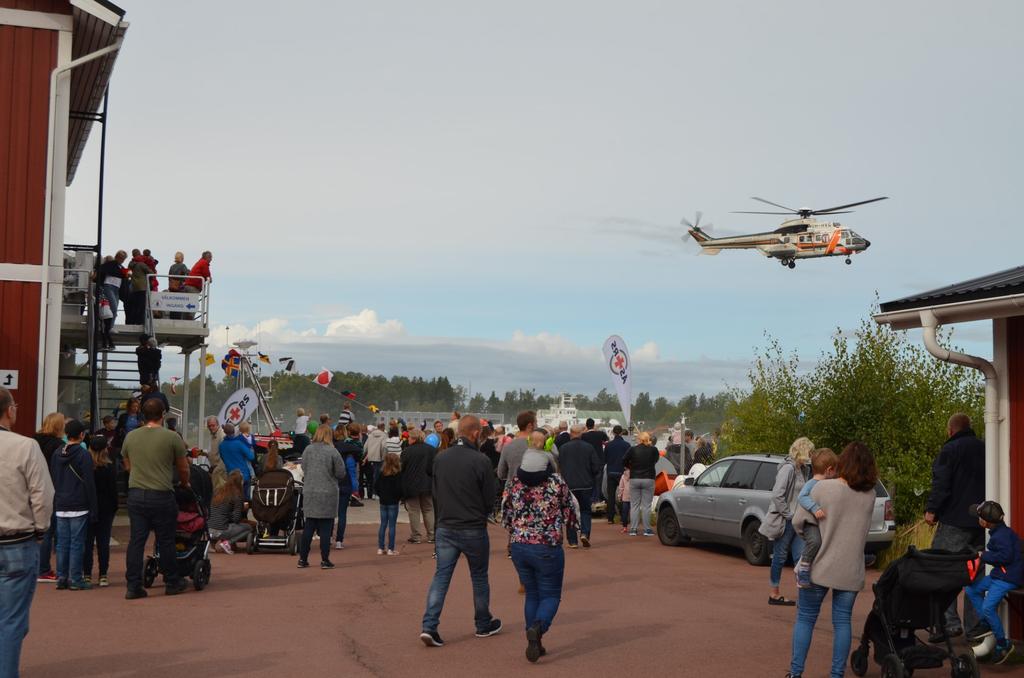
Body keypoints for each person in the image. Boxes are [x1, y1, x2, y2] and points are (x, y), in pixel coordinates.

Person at [788, 442, 878, 678]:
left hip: (819, 564)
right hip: (850, 568)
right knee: (843, 622)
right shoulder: (870, 495)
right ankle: (837, 674)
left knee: (806, 618)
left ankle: (796, 673)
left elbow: (799, 522)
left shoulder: (822, 489)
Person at [420, 415, 502, 647]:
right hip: (473, 526)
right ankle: (482, 623)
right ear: (475, 433)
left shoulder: (440, 458)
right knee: (478, 577)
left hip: (446, 525)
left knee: (441, 576)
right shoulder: (481, 460)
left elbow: (435, 492)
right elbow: (489, 497)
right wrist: (484, 512)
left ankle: (429, 625)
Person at [501, 437, 580, 663]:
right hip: (547, 546)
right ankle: (538, 628)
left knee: (532, 594)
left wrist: (515, 528)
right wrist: (573, 525)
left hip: (518, 546)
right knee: (551, 595)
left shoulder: (515, 482)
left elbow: (506, 511)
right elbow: (570, 509)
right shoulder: (556, 482)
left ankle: (533, 640)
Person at [0, 387, 55, 678]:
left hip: (16, 540)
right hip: (16, 540)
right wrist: (40, 528)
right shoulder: (24, 446)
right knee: (11, 620)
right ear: (9, 411)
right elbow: (43, 495)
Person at [924, 413, 985, 641]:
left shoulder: (949, 450)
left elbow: (942, 483)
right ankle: (975, 628)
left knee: (941, 570)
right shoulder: (985, 448)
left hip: (954, 521)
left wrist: (932, 510)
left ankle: (948, 623)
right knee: (976, 575)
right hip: (981, 523)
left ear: (950, 431)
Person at [121, 398, 191, 599]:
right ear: (163, 415)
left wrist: (140, 473)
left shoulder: (130, 437)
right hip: (161, 493)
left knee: (137, 541)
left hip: (136, 493)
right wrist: (184, 483)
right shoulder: (172, 437)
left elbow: (127, 465)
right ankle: (172, 581)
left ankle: (133, 586)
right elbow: (183, 468)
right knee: (166, 540)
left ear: (143, 415)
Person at [963, 500, 1021, 665]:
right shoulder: (999, 531)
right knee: (972, 589)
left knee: (988, 607)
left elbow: (1006, 557)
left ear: (986, 522)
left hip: (1008, 578)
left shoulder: (1001, 536)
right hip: (1000, 575)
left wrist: (983, 555)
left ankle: (1003, 644)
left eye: (979, 517)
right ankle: (986, 624)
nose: (978, 519)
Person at [762, 437, 812, 606]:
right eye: (810, 451)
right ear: (803, 451)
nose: (811, 455)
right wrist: (788, 514)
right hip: (787, 519)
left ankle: (804, 594)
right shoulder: (788, 468)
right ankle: (774, 592)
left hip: (797, 519)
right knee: (780, 555)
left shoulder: (803, 469)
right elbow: (777, 494)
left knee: (801, 555)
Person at [50, 420, 97, 591]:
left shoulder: (57, 453)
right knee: (77, 543)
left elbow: (53, 477)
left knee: (62, 543)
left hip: (61, 502)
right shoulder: (84, 455)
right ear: (82, 435)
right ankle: (75, 578)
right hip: (79, 503)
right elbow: (89, 483)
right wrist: (94, 507)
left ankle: (62, 577)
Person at [297, 425, 345, 569]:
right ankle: (325, 559)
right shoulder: (332, 451)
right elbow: (341, 472)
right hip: (328, 492)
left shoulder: (308, 450)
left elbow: (303, 467)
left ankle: (303, 559)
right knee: (325, 528)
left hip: (310, 491)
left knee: (309, 527)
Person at [794, 448, 838, 588]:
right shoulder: (812, 483)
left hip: (819, 523)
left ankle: (802, 566)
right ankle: (803, 571)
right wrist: (815, 508)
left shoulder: (828, 484)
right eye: (835, 470)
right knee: (815, 542)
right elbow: (802, 497)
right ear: (829, 470)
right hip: (810, 524)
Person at [558, 424, 602, 549]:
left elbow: (559, 466)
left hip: (569, 485)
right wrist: (594, 479)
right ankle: (585, 533)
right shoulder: (589, 448)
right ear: (581, 433)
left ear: (571, 433)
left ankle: (572, 540)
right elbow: (596, 466)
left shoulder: (563, 448)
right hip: (586, 484)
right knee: (585, 510)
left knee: (570, 512)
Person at [33, 413, 64, 583]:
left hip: (34, 488)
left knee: (38, 530)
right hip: (52, 489)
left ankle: (38, 567)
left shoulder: (34, 440)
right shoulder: (59, 445)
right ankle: (46, 569)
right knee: (52, 531)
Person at [83, 434, 117, 588]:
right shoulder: (109, 467)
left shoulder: (86, 466)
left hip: (87, 506)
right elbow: (113, 490)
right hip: (106, 508)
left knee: (87, 543)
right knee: (103, 543)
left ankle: (87, 574)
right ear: (105, 449)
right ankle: (103, 574)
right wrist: (114, 507)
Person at [402, 428, 436, 544]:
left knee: (414, 511)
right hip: (428, 484)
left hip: (411, 485)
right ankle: (432, 535)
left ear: (413, 438)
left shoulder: (407, 451)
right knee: (429, 509)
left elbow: (402, 468)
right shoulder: (432, 450)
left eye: (409, 438)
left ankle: (416, 536)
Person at [622, 432, 659, 537]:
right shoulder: (653, 450)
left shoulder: (632, 449)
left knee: (634, 505)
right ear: (648, 439)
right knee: (646, 505)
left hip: (634, 478)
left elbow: (623, 460)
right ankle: (647, 529)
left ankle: (633, 529)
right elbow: (655, 460)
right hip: (648, 478)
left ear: (639, 439)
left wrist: (630, 467)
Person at [209, 470, 253, 554]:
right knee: (248, 527)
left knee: (220, 520)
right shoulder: (237, 495)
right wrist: (242, 509)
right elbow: (236, 519)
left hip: (209, 529)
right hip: (221, 530)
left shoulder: (218, 491)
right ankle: (228, 543)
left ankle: (212, 545)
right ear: (240, 481)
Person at [333, 423, 362, 549]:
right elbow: (352, 472)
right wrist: (355, 489)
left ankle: (327, 536)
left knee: (329, 514)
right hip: (345, 484)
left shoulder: (330, 448)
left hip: (332, 484)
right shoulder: (349, 451)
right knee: (342, 514)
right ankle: (339, 540)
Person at [94, 250, 127, 348]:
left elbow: (123, 276)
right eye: (121, 258)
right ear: (117, 256)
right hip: (109, 286)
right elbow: (103, 271)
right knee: (114, 307)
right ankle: (110, 328)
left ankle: (110, 327)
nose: (122, 260)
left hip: (116, 288)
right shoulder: (111, 265)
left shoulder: (121, 268)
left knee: (114, 308)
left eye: (123, 259)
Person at [217, 423, 255, 499]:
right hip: (244, 476)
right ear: (234, 431)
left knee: (234, 500)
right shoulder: (239, 444)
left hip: (231, 477)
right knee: (245, 499)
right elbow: (251, 457)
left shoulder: (221, 446)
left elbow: (223, 459)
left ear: (224, 432)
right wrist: (251, 449)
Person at [376, 453, 403, 555]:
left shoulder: (382, 473)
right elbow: (400, 488)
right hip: (393, 501)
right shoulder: (398, 474)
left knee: (383, 524)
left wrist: (381, 495)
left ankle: (380, 547)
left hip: (383, 501)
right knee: (392, 525)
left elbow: (376, 486)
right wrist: (399, 497)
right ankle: (390, 549)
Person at [604, 425, 630, 525]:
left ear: (614, 433)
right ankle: (624, 518)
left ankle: (610, 518)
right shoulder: (626, 445)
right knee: (624, 495)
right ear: (621, 432)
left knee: (610, 496)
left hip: (610, 472)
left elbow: (604, 459)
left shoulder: (608, 445)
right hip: (622, 473)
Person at [580, 418, 608, 503]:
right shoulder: (600, 434)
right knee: (598, 482)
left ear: (586, 426)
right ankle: (597, 499)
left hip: (588, 461)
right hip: (599, 460)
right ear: (594, 425)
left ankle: (589, 499)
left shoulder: (584, 436)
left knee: (588, 481)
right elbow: (606, 441)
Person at [125, 249, 154, 325]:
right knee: (141, 306)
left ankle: (133, 321)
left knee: (135, 305)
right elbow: (151, 273)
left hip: (134, 288)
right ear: (139, 254)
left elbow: (128, 273)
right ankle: (140, 322)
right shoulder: (141, 264)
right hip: (142, 287)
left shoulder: (130, 263)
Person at [363, 425, 387, 500]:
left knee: (371, 476)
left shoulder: (370, 435)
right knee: (378, 476)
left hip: (370, 458)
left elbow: (365, 447)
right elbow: (384, 447)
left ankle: (371, 493)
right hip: (379, 458)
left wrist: (364, 455)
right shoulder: (384, 435)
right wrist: (383, 457)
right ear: (383, 428)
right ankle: (376, 493)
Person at [205, 416, 227, 490]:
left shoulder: (222, 436)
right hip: (215, 469)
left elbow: (224, 456)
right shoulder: (213, 434)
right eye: (209, 426)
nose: (211, 427)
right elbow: (214, 452)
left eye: (213, 425)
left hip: (221, 471)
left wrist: (217, 471)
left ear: (217, 425)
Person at [166, 251, 190, 319]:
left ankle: (172, 317)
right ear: (182, 258)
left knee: (172, 304)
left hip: (171, 287)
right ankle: (178, 318)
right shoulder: (183, 266)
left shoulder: (172, 266)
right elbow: (187, 274)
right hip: (179, 288)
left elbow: (169, 276)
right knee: (179, 304)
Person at [615, 467, 632, 534]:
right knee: (633, 512)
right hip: (634, 496)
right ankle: (634, 528)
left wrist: (619, 496)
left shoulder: (623, 476)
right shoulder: (635, 475)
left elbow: (621, 487)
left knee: (625, 512)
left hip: (625, 497)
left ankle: (624, 527)